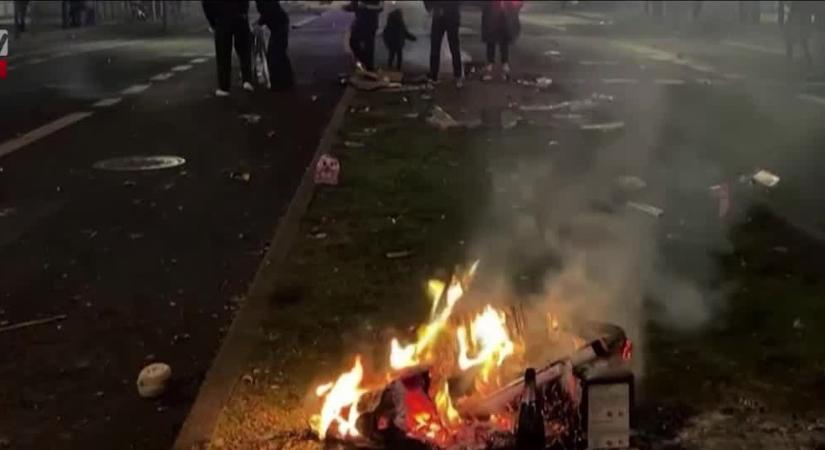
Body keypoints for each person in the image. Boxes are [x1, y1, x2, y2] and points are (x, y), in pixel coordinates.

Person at [202, 0, 255, 96]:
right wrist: (244, 14)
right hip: (240, 18)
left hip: (222, 20)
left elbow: (206, 3)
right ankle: (247, 80)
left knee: (223, 54)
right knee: (244, 51)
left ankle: (224, 87)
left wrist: (212, 22)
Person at [256, 0, 294, 90]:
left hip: (279, 25)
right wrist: (259, 22)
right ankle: (285, 81)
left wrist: (259, 23)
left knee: (275, 54)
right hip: (279, 24)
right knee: (279, 53)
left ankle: (280, 82)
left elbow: (268, 12)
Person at [481, 0, 523, 82]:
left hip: (504, 12)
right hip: (492, 11)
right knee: (491, 38)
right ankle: (491, 62)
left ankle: (503, 63)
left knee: (503, 38)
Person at [424, 0, 463, 86]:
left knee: (436, 47)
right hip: (451, 14)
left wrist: (431, 7)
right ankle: (457, 76)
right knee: (453, 47)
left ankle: (433, 76)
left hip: (443, 15)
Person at [347, 0, 383, 72]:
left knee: (369, 47)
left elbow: (380, 8)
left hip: (370, 23)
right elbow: (354, 6)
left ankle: (369, 68)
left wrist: (366, 7)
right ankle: (366, 62)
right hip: (359, 22)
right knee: (353, 42)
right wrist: (349, 7)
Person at [785, 0, 814, 69]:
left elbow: (792, 7)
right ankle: (807, 56)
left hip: (797, 16)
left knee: (792, 36)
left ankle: (790, 54)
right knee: (801, 38)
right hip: (801, 16)